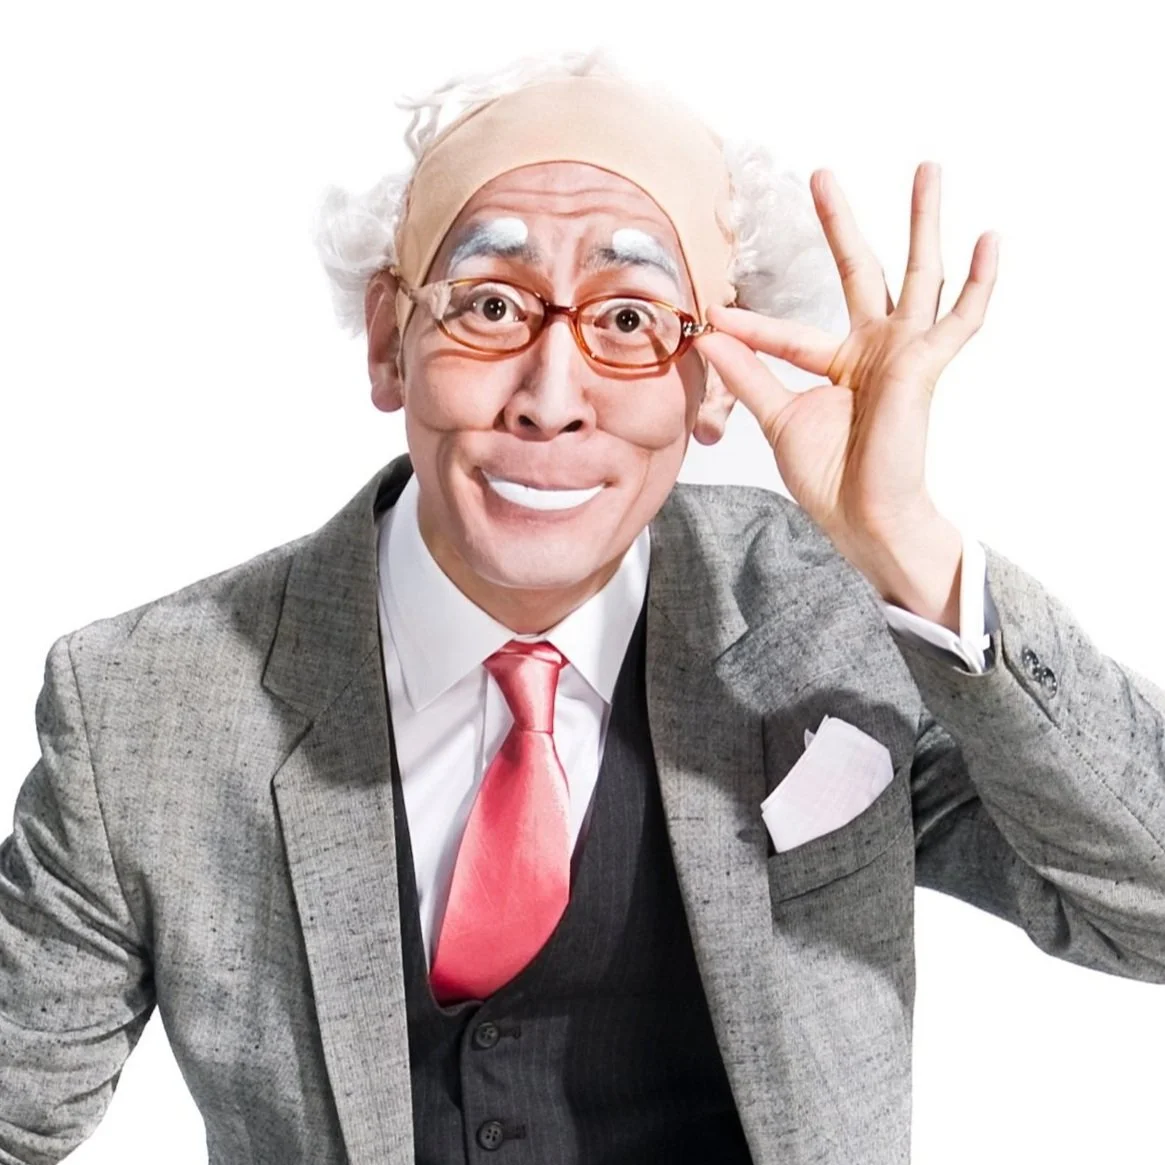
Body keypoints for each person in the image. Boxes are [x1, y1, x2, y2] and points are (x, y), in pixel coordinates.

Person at [2, 49, 1163, 1165]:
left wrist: (909, 541)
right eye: (489, 305)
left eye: (629, 319)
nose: (551, 399)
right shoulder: (144, 705)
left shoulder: (842, 622)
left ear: (713, 379)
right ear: (390, 342)